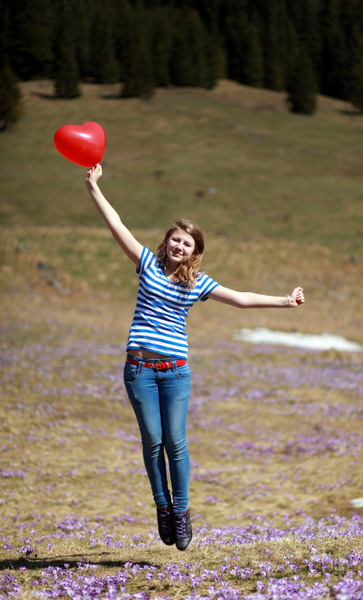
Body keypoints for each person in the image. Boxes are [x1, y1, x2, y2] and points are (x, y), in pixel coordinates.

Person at [85, 164, 305, 551]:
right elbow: (117, 225)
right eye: (175, 239)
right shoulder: (146, 265)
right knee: (152, 441)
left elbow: (240, 299)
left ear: (195, 252)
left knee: (176, 443)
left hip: (175, 373)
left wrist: (286, 301)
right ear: (166, 242)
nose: (179, 247)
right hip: (138, 370)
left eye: (187, 244)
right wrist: (93, 187)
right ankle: (163, 508)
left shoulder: (198, 283)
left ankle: (182, 511)